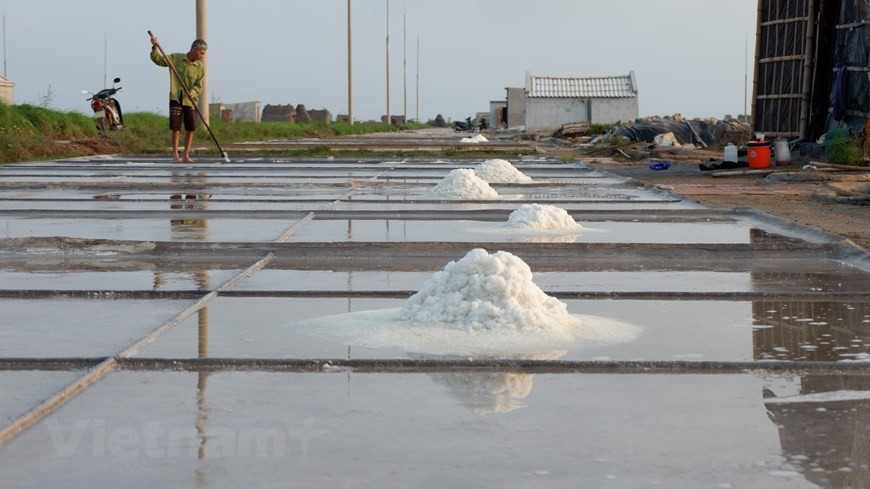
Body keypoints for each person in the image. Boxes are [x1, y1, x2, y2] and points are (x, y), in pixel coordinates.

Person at [149, 36, 207, 163]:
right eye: (201, 53)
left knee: (190, 128)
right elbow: (158, 60)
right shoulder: (176, 58)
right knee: (176, 128)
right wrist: (155, 46)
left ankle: (186, 155)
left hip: (190, 101)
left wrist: (193, 92)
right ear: (193, 49)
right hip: (176, 98)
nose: (202, 56)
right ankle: (175, 155)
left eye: (204, 54)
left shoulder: (200, 67)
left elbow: (199, 85)